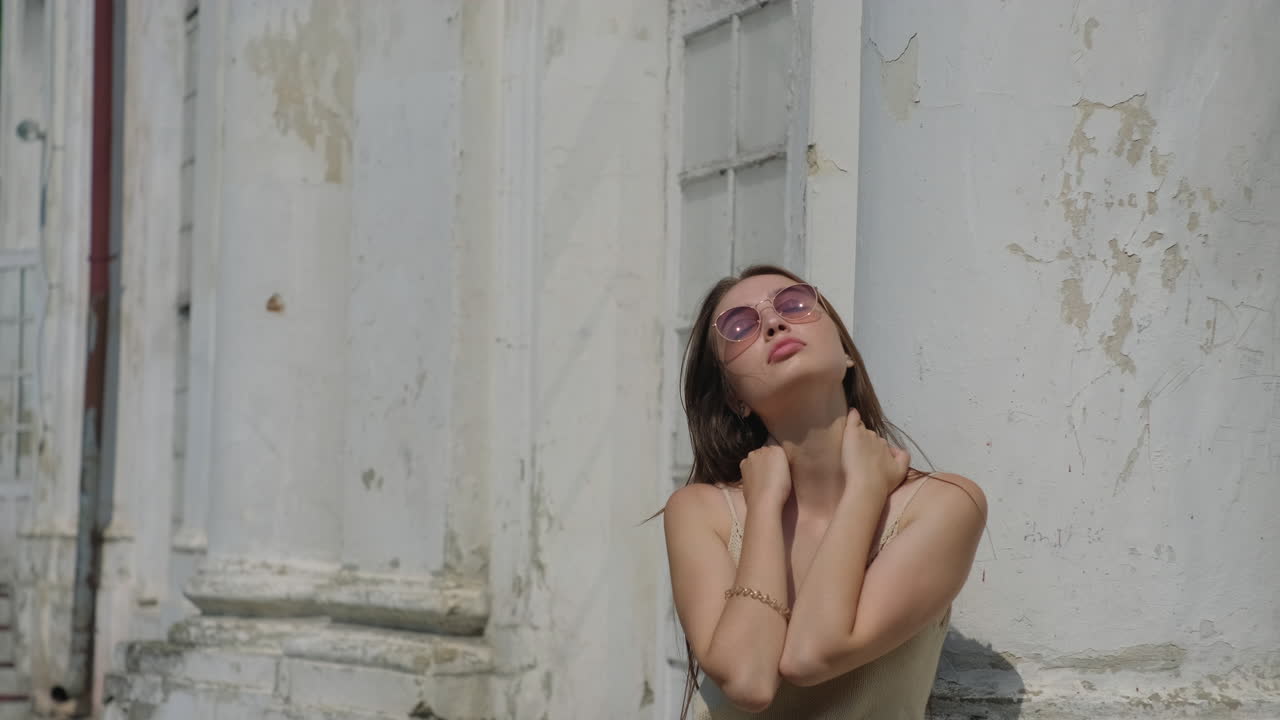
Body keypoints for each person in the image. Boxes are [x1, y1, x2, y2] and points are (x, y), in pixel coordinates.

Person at [663, 265, 988, 719]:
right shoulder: (702, 512)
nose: (774, 324)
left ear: (847, 352)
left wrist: (865, 492)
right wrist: (764, 508)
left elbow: (809, 656)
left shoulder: (944, 505)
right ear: (733, 396)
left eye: (794, 304)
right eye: (740, 327)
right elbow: (749, 680)